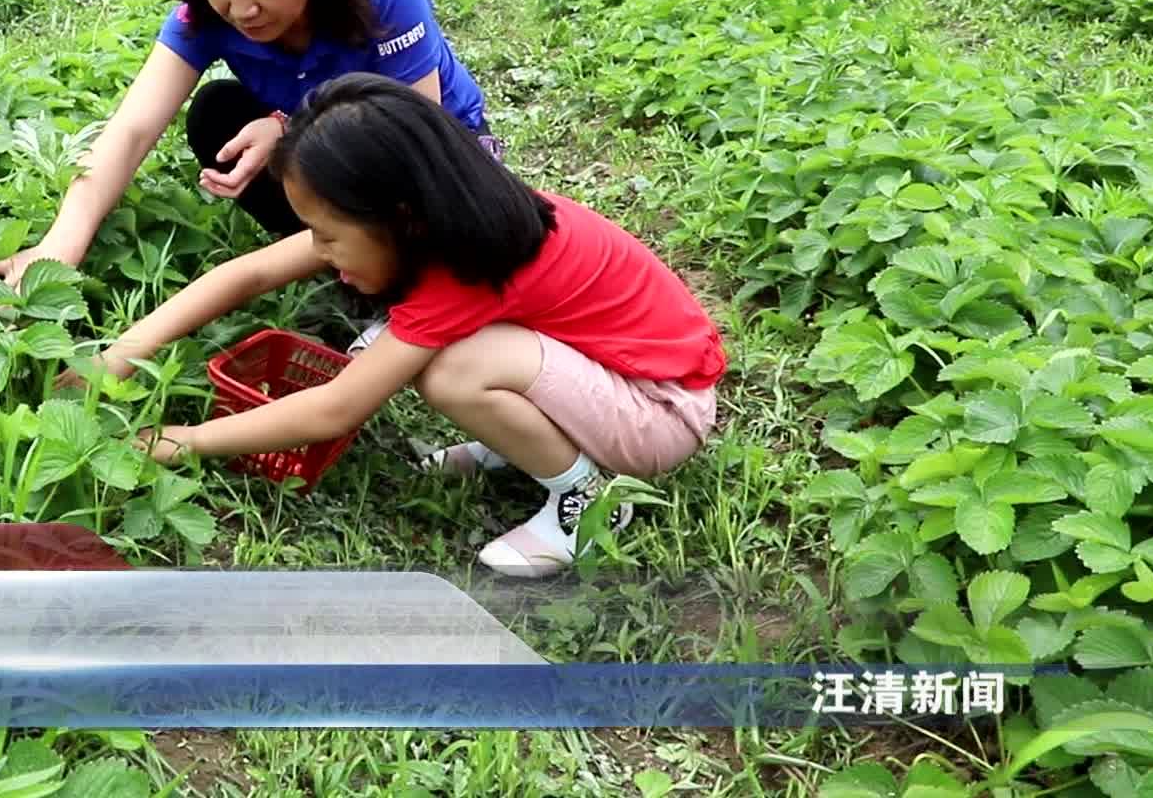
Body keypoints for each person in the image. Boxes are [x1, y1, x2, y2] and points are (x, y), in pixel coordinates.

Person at [83, 74, 727, 578]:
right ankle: (518, 446)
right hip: (621, 372)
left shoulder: (460, 270)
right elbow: (247, 274)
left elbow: (334, 410)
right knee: (420, 354)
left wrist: (180, 440)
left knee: (448, 370)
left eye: (330, 237)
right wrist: (119, 354)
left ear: (399, 216)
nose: (322, 254)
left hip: (660, 411)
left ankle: (578, 502)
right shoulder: (457, 218)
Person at [0, 0, 496, 352]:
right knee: (217, 113)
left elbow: (408, 148)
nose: (240, 8)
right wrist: (60, 246)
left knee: (432, 221)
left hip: (435, 155)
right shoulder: (203, 14)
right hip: (332, 148)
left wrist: (290, 130)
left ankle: (389, 278)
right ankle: (345, 260)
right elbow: (130, 131)